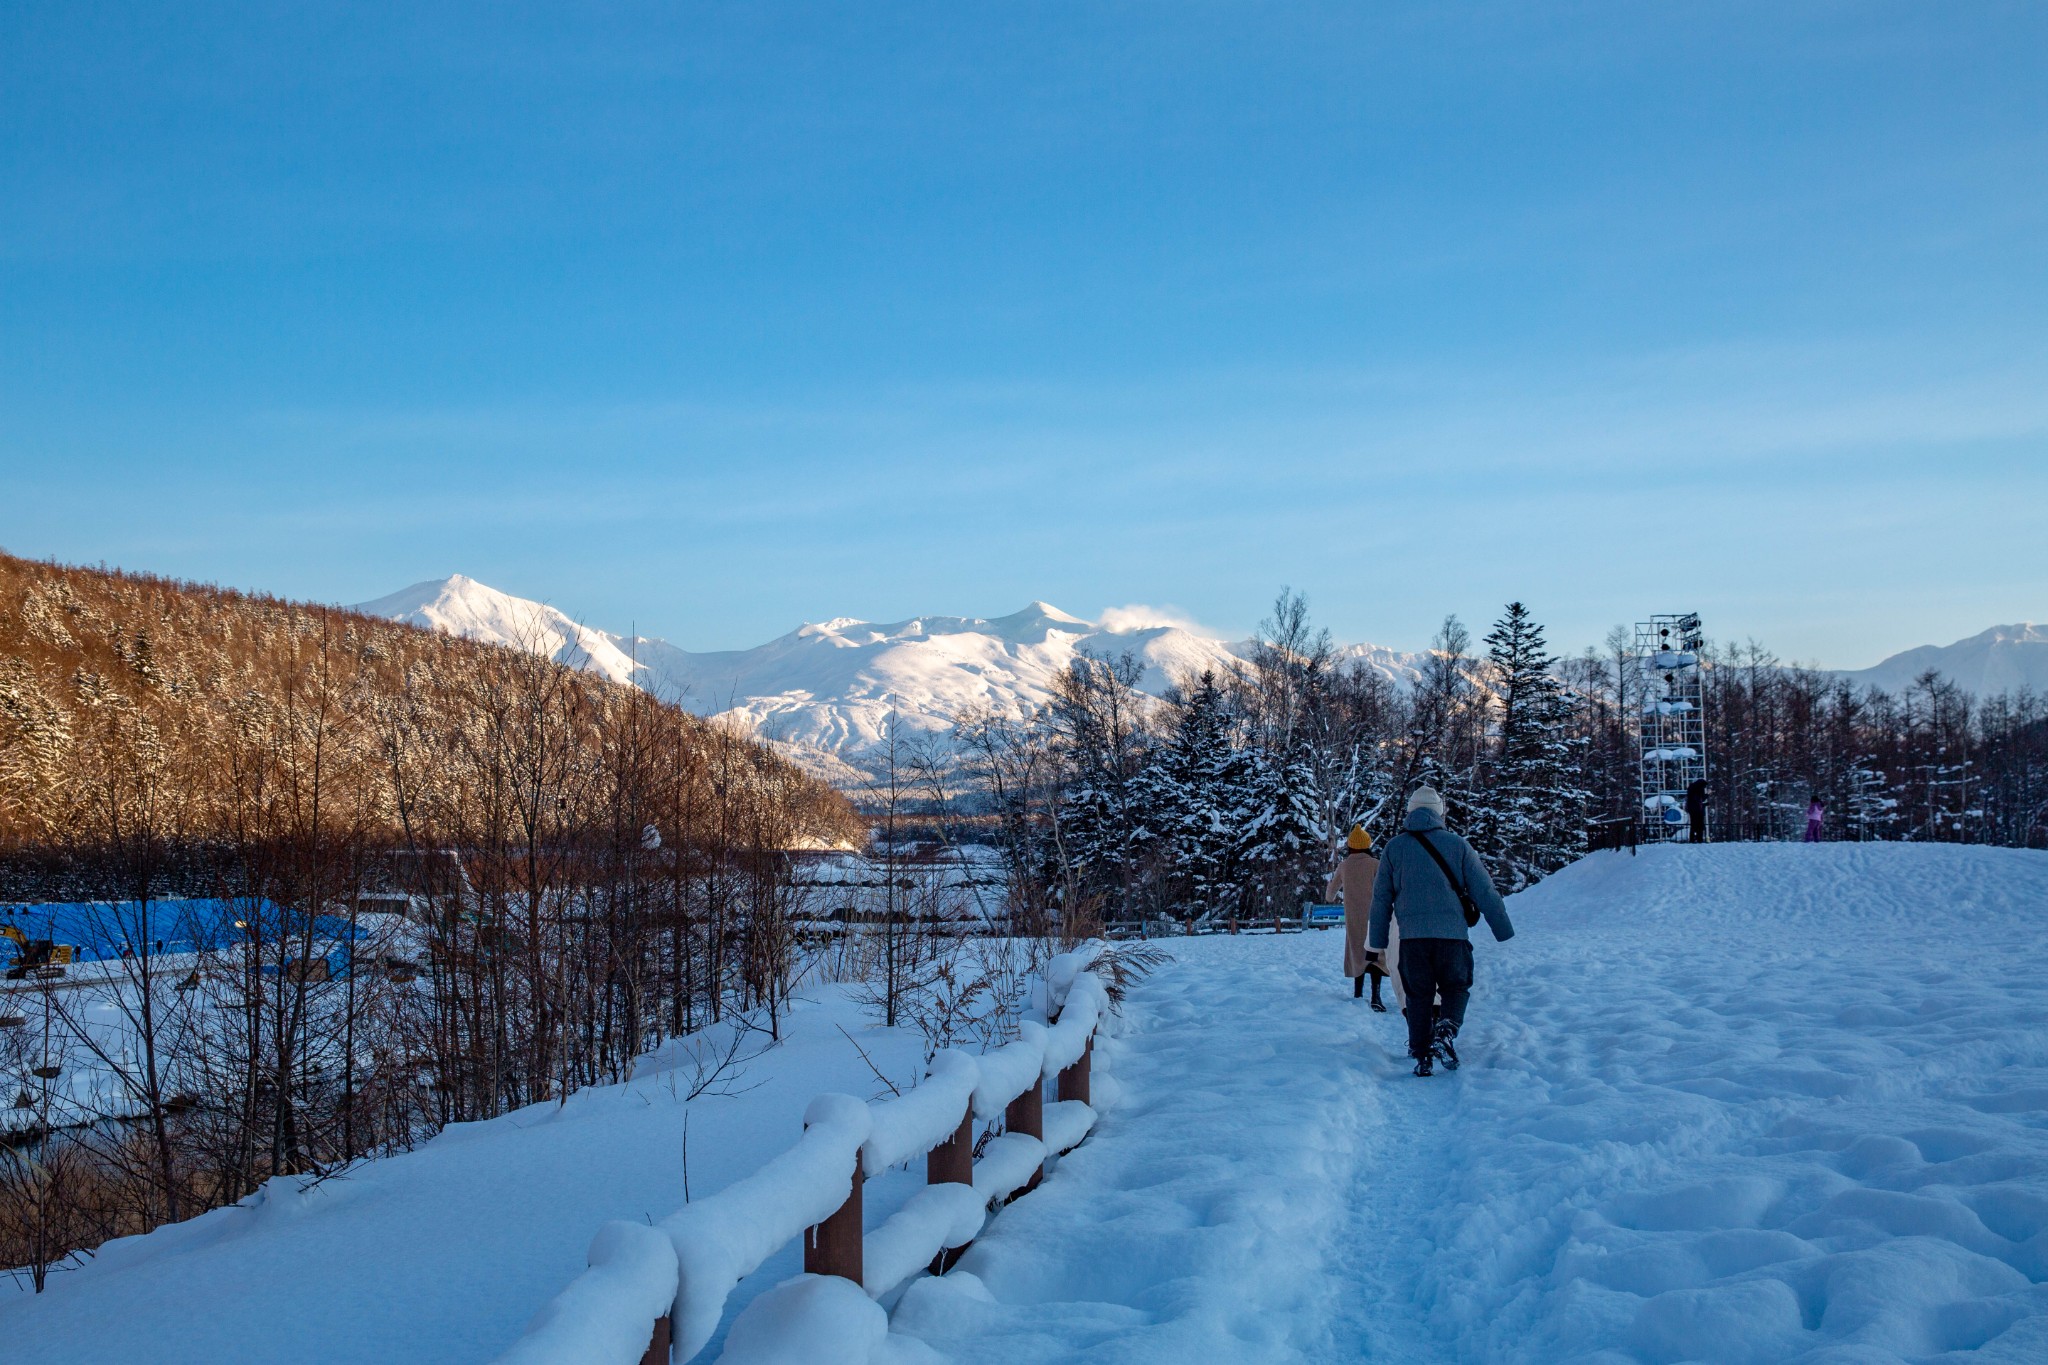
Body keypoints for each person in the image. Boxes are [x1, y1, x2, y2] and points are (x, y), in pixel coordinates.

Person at [1368, 786, 1514, 1077]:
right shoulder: (1457, 845)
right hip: (1452, 936)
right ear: (1439, 812)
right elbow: (1484, 890)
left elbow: (1381, 898)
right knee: (1456, 986)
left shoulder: (1394, 848)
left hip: (1412, 938)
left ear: (1411, 812)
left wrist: (1377, 942)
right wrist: (1502, 928)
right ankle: (1446, 1028)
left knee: (1418, 994)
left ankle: (1421, 1054)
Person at [1325, 824, 1398, 1012]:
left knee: (1357, 953)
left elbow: (1330, 894)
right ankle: (1376, 996)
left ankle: (1357, 995)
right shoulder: (1375, 864)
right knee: (1376, 955)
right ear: (1367, 845)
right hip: (1376, 916)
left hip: (1353, 919)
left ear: (1350, 846)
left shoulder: (1344, 865)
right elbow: (1388, 887)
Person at [1685, 778, 1708, 844]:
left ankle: (1692, 838)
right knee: (1699, 824)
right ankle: (1699, 838)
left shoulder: (1691, 788)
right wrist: (1708, 794)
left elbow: (1694, 800)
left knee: (1693, 824)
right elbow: (1701, 799)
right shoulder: (1700, 789)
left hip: (1691, 809)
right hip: (1698, 810)